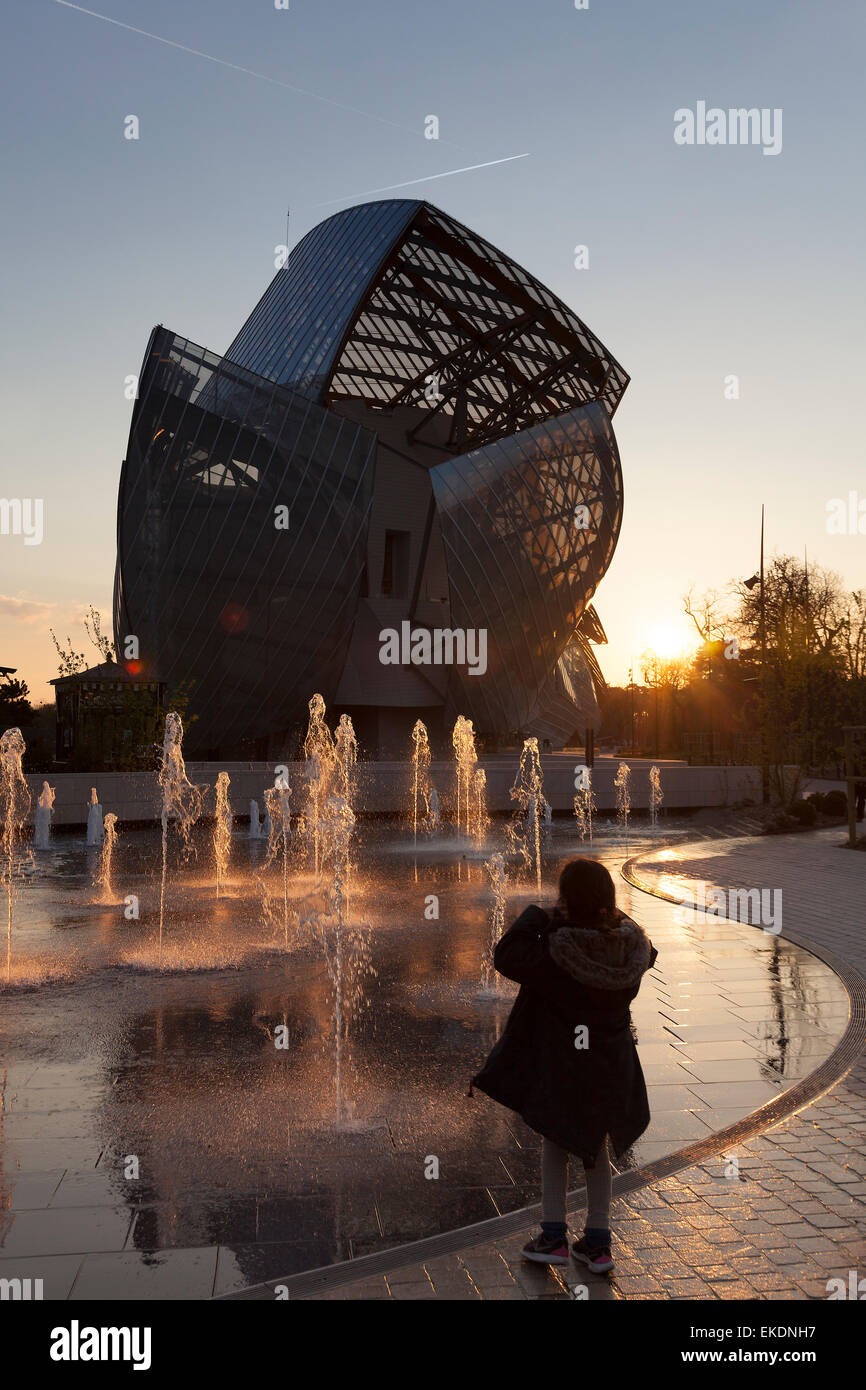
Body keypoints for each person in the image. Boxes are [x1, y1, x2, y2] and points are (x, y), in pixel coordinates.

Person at [471, 858, 657, 1274]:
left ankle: (553, 1237)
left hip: (566, 1067)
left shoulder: (556, 952)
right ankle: (598, 1242)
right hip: (612, 1067)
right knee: (596, 1146)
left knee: (556, 1142)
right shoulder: (631, 949)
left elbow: (506, 955)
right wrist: (615, 916)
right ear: (609, 902)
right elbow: (651, 951)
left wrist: (538, 915)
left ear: (566, 900)